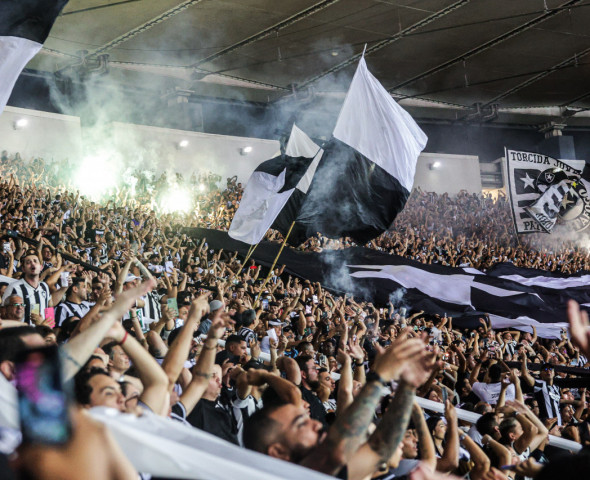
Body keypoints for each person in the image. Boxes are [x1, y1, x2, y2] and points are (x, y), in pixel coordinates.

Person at [2, 250, 51, 324]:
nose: (32, 263)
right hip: (21, 333)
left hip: (41, 333)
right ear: (23, 269)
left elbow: (49, 306)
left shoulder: (44, 286)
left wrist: (50, 326)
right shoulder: (14, 287)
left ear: (41, 267)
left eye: (35, 261)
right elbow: (3, 312)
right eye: (28, 262)